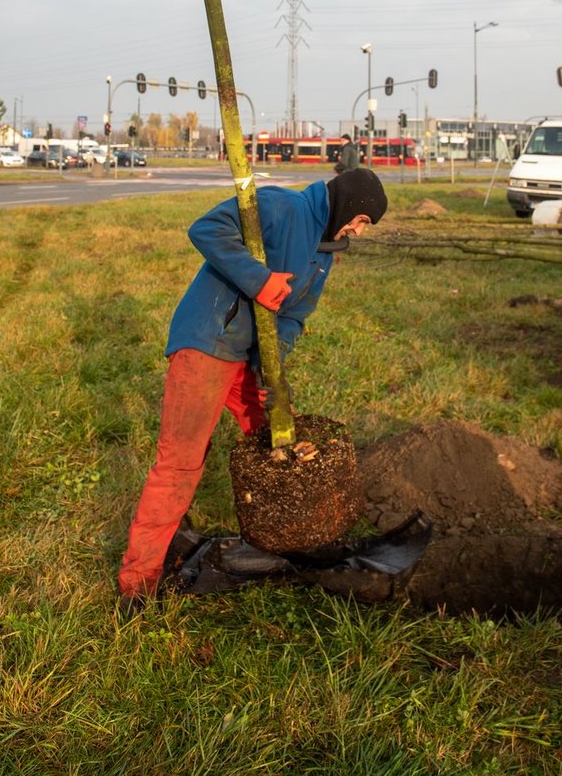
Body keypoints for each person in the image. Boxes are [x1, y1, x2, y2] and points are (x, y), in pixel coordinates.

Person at [117, 167, 388, 612]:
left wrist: (271, 369)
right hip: (208, 341)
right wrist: (258, 280)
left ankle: (282, 546)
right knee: (182, 462)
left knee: (281, 439)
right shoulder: (282, 206)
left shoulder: (324, 254)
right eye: (360, 221)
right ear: (348, 206)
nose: (357, 232)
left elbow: (294, 317)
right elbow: (206, 228)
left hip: (246, 356)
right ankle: (138, 581)